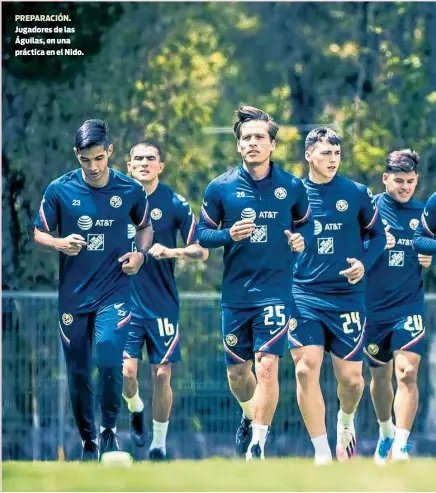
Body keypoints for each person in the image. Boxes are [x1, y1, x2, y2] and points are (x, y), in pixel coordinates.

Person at [198, 105, 314, 461]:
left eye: (259, 137)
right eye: (246, 138)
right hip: (236, 295)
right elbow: (202, 235)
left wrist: (300, 240)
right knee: (238, 375)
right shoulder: (221, 188)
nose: (252, 143)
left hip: (277, 291)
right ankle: (249, 417)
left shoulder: (292, 186)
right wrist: (227, 234)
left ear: (272, 145)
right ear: (238, 146)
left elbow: (306, 225)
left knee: (267, 365)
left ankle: (257, 445)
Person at [34, 120, 153, 461]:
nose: (93, 166)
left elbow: (145, 227)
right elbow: (39, 232)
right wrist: (58, 242)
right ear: (77, 156)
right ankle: (88, 441)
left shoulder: (130, 190)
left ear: (110, 152)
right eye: (86, 160)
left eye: (99, 158)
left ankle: (109, 432)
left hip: (114, 293)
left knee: (110, 358)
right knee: (79, 373)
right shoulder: (59, 190)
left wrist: (140, 255)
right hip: (73, 299)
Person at [288, 127, 386, 465]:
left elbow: (379, 236)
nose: (332, 159)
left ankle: (346, 419)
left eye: (337, 153)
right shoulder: (290, 192)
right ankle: (321, 453)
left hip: (346, 298)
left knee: (353, 381)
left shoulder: (356, 193)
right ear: (309, 155)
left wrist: (363, 262)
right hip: (303, 294)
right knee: (304, 369)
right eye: (326, 152)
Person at [122, 141, 209, 461]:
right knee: (126, 374)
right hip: (123, 303)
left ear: (161, 166)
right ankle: (135, 407)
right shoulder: (115, 199)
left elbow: (202, 249)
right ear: (128, 165)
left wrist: (171, 251)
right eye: (138, 159)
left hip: (162, 305)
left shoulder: (174, 203)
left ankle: (158, 444)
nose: (144, 163)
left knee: (161, 375)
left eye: (151, 159)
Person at [365, 149, 432, 464]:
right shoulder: (370, 210)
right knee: (380, 378)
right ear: (385, 178)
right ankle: (385, 431)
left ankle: (402, 446)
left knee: (407, 372)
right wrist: (373, 245)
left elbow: (428, 245)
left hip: (409, 308)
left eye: (410, 181)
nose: (405, 187)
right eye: (399, 181)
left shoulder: (424, 215)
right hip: (372, 311)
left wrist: (429, 257)